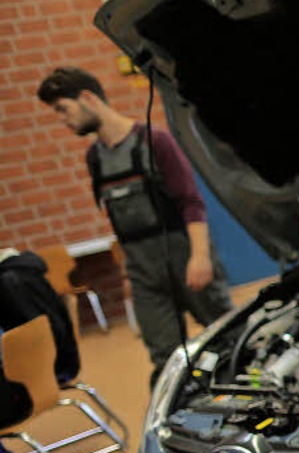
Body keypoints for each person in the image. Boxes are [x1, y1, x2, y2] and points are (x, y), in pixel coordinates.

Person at [36, 67, 233, 381]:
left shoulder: (155, 141)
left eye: (63, 109)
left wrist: (199, 257)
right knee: (165, 359)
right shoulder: (96, 158)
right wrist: (130, 271)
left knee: (228, 337)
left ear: (88, 98)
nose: (63, 119)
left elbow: (191, 202)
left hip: (184, 253)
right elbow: (119, 222)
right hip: (142, 269)